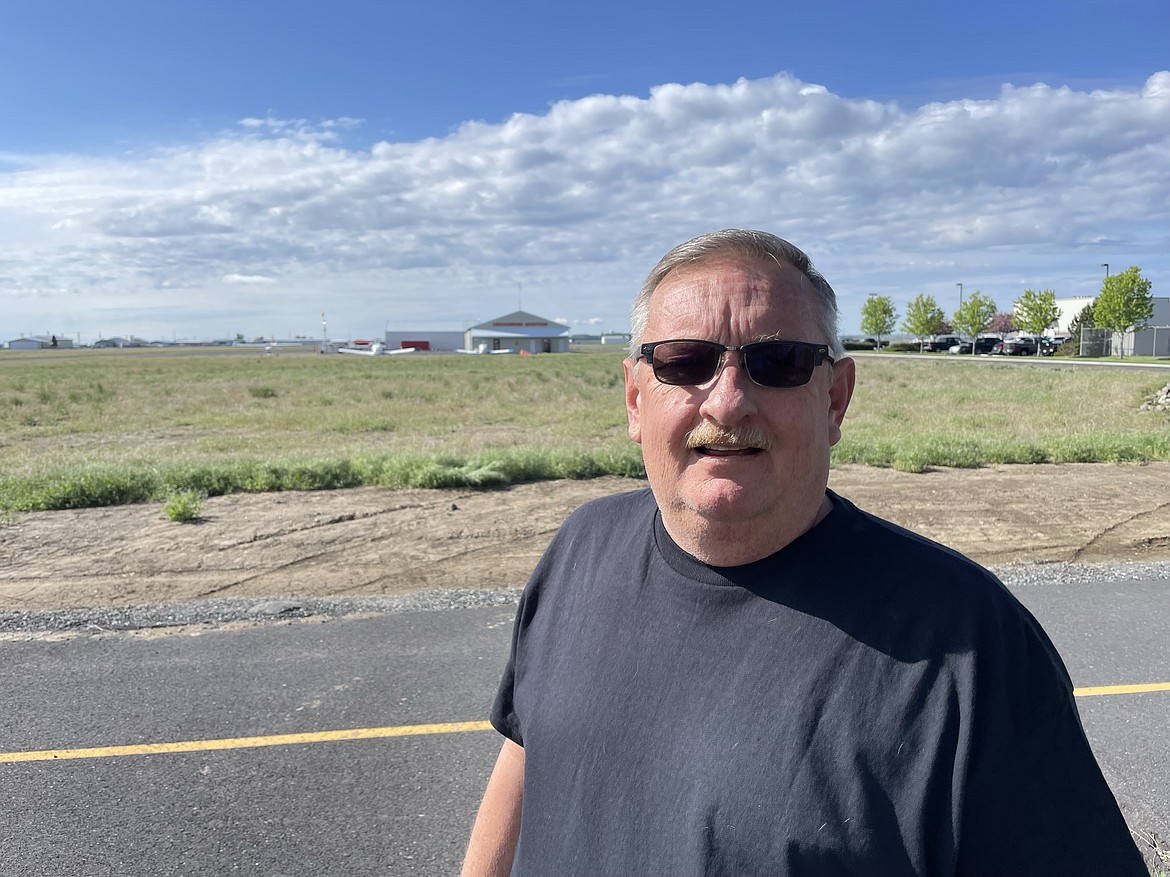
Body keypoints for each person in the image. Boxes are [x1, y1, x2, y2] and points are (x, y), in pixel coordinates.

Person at [460, 229, 1146, 876]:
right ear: (637, 398)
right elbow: (529, 754)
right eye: (685, 361)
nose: (727, 403)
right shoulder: (580, 549)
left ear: (836, 398)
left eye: (778, 362)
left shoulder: (969, 647)